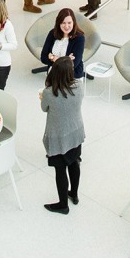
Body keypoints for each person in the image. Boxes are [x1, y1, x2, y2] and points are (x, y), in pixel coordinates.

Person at [41, 58, 85, 214]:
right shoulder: (79, 86)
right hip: (76, 132)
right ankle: (74, 193)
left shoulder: (49, 92)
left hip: (58, 137)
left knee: (60, 170)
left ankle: (62, 205)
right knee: (74, 163)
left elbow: (44, 108)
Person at [40, 8, 86, 80]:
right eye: (63, 23)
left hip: (72, 76)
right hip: (53, 73)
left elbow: (74, 64)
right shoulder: (53, 33)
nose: (66, 26)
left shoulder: (79, 38)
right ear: (59, 23)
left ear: (73, 22)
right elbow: (43, 57)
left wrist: (53, 58)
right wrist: (66, 60)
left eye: (69, 23)